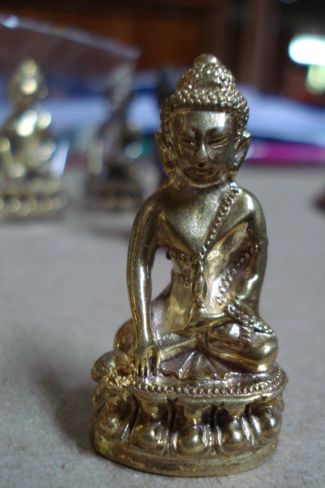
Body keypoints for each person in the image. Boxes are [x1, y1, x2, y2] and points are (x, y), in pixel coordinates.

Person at [94, 54, 278, 381]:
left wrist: (234, 311)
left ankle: (187, 347)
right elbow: (139, 267)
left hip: (223, 319)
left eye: (216, 141)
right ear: (167, 147)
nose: (201, 156)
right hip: (172, 313)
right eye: (189, 142)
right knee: (126, 342)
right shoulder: (159, 207)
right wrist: (146, 334)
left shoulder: (245, 207)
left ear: (239, 148)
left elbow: (253, 272)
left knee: (263, 349)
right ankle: (180, 345)